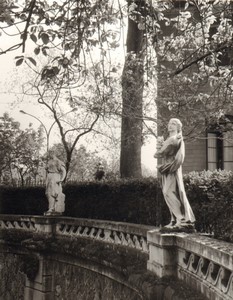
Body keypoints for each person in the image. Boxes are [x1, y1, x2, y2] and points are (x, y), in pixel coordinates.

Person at [154, 118, 195, 229]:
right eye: (169, 123)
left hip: (172, 168)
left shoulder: (175, 138)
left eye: (173, 124)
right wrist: (160, 146)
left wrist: (160, 146)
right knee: (169, 192)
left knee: (168, 192)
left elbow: (159, 153)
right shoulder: (169, 139)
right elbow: (158, 153)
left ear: (178, 127)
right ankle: (175, 219)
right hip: (166, 169)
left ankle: (181, 219)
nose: (170, 126)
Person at [45, 151, 66, 215]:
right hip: (49, 177)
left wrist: (62, 179)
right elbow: (46, 170)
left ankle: (53, 208)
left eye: (50, 153)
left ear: (54, 154)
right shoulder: (49, 162)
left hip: (55, 176)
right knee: (48, 193)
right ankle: (51, 208)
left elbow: (64, 171)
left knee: (54, 192)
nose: (49, 155)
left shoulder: (58, 162)